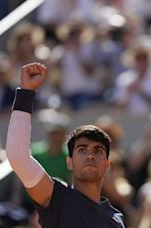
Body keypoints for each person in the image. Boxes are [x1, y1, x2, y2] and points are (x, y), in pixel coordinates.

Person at [6, 62, 125, 227]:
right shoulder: (57, 198)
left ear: (107, 164)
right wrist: (26, 92)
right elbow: (18, 157)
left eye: (97, 150)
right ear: (69, 161)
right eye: (82, 149)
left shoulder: (116, 219)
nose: (90, 155)